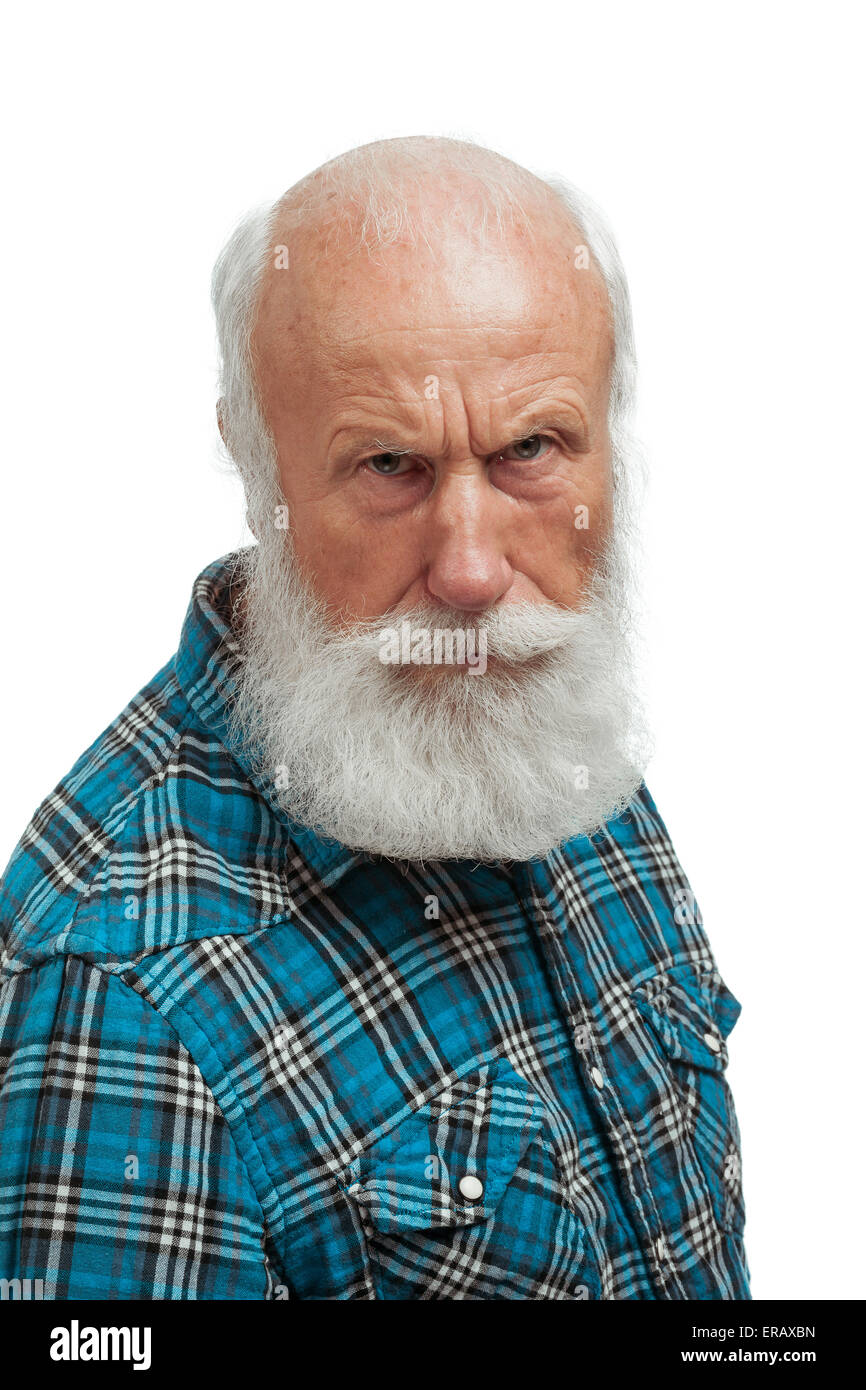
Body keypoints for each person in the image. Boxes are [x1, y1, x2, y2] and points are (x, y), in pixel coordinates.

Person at [0, 135, 749, 1300]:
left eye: (530, 450)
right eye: (390, 463)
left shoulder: (532, 712)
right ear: (260, 473)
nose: (468, 571)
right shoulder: (125, 991)